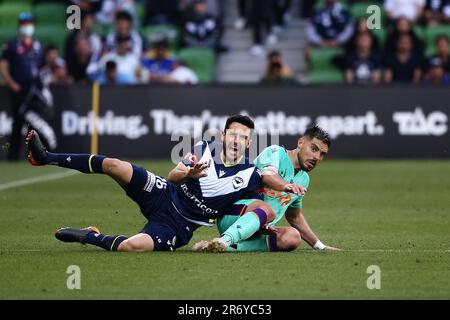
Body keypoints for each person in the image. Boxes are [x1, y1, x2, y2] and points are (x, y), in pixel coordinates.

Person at [26, 115, 294, 253]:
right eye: (233, 135)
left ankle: (90, 235)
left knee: (132, 247)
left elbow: (257, 205)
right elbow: (172, 175)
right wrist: (188, 175)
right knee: (114, 165)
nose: (237, 141)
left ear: (249, 143)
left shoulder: (251, 175)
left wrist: (284, 190)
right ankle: (46, 157)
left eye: (243, 138)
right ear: (223, 136)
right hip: (164, 194)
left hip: (178, 225)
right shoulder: (203, 149)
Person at [194, 125, 341, 253]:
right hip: (233, 215)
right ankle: (226, 240)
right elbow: (268, 176)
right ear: (301, 143)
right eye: (314, 149)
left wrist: (320, 246)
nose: (317, 157)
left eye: (322, 154)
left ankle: (220, 246)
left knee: (293, 237)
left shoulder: (304, 179)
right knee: (266, 209)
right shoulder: (275, 152)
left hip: (262, 227)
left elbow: (294, 216)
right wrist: (286, 186)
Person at [0, 13, 48, 161]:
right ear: (20, 25)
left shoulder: (38, 45)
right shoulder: (12, 44)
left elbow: (43, 66)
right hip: (19, 89)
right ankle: (13, 155)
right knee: (18, 121)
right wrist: (11, 83)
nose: (27, 26)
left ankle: (37, 153)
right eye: (24, 23)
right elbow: (3, 65)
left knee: (35, 121)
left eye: (29, 23)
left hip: (35, 89)